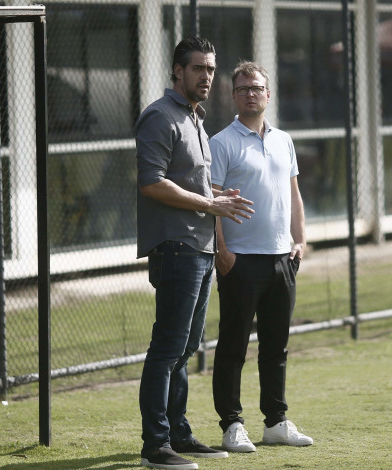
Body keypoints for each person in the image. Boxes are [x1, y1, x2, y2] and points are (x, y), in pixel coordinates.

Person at [135, 37, 254, 470]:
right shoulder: (159, 117)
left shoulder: (195, 119)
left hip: (200, 248)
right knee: (167, 349)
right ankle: (156, 446)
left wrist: (219, 196)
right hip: (176, 248)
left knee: (185, 350)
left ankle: (179, 435)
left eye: (211, 68)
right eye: (199, 68)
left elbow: (189, 183)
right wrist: (210, 204)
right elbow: (153, 182)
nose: (207, 76)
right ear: (177, 71)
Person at [210, 61, 313, 453]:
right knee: (233, 346)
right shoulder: (221, 143)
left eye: (257, 87)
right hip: (240, 262)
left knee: (276, 347)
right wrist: (223, 251)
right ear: (234, 96)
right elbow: (211, 201)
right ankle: (232, 425)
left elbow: (293, 194)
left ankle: (276, 422)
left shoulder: (284, 141)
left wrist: (299, 240)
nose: (251, 93)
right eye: (243, 88)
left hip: (282, 259)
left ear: (268, 95)